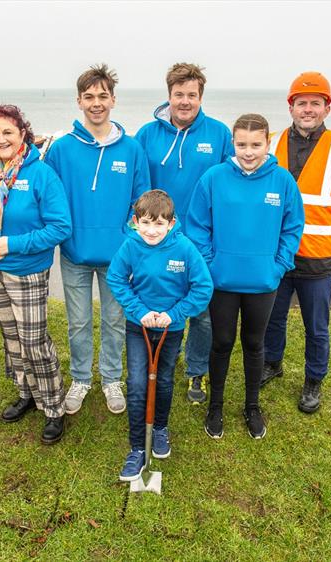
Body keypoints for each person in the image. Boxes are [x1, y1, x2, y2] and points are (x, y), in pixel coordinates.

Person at [185, 114, 304, 440]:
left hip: (263, 281)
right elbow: (197, 225)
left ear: (268, 143)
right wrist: (210, 264)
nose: (248, 152)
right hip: (222, 281)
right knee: (221, 342)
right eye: (241, 144)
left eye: (256, 144)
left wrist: (278, 265)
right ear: (233, 144)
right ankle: (217, 407)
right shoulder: (214, 178)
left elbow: (292, 228)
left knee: (254, 344)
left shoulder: (282, 182)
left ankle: (252, 406)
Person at [46, 63, 150, 417]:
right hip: (75, 253)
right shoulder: (61, 149)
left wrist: (128, 240)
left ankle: (110, 378)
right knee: (77, 322)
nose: (96, 103)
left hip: (118, 257)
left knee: (114, 320)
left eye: (102, 96)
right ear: (78, 101)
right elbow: (51, 200)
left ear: (113, 100)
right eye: (88, 96)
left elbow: (143, 203)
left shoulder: (132, 149)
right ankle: (80, 379)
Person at [0, 105, 72, 444]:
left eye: (8, 132)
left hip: (27, 272)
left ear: (22, 135)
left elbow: (60, 227)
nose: (1, 139)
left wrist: (13, 244)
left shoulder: (41, 175)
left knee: (34, 342)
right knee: (11, 339)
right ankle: (27, 393)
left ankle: (54, 407)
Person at [262, 71, 331, 414]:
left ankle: (313, 380)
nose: (308, 109)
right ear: (291, 107)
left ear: (327, 108)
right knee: (273, 318)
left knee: (316, 326)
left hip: (318, 258)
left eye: (315, 104)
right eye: (301, 103)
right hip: (276, 254)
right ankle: (272, 363)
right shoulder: (270, 143)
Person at [135, 62, 233, 405]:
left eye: (192, 95)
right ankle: (159, 362)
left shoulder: (219, 134)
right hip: (158, 240)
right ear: (169, 96)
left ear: (201, 97)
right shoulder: (147, 134)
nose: (185, 101)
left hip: (203, 241)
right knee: (158, 304)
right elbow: (137, 185)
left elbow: (235, 181)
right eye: (179, 94)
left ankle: (196, 371)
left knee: (202, 315)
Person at [106, 190, 212, 480]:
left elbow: (203, 287)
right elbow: (115, 278)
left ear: (171, 223)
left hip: (170, 328)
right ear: (135, 221)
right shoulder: (131, 246)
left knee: (163, 379)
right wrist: (139, 310)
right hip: (138, 327)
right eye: (146, 223)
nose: (151, 231)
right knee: (138, 383)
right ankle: (138, 447)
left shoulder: (185, 249)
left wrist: (174, 315)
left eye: (159, 224)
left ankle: (161, 428)